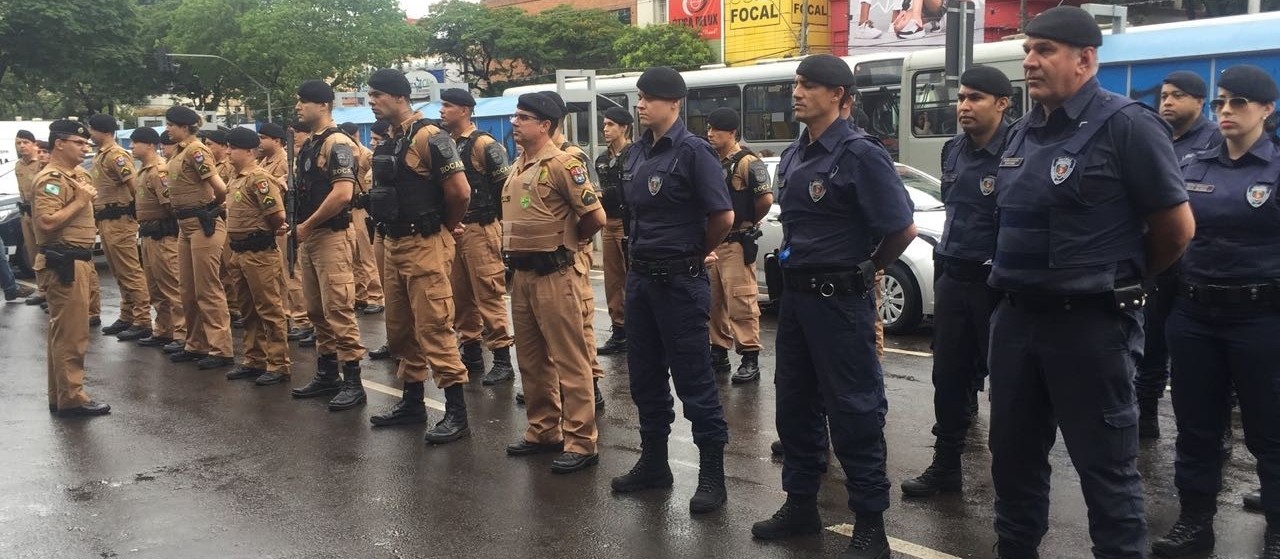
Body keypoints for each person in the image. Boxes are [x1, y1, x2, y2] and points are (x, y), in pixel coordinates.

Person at [986, 8, 1194, 557]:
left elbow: (1176, 231)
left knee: (1106, 475)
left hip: (1090, 328)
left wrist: (1118, 280)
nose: (1030, 61)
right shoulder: (1021, 132)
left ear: (1085, 59)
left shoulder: (1127, 124)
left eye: (1045, 50)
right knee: (1012, 465)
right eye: (1028, 50)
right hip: (1015, 322)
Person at [748, 55, 916, 559]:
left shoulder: (860, 153)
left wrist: (866, 269)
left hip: (840, 302)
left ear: (841, 96)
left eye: (811, 86)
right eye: (797, 83)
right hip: (797, 299)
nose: (798, 93)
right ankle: (801, 503)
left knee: (854, 409)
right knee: (794, 403)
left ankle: (870, 523)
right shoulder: (797, 151)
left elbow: (900, 228)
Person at [1151, 64, 1280, 559]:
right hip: (1196, 314)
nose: (1226, 111)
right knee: (1197, 426)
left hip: (1262, 318)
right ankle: (1195, 523)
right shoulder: (1194, 165)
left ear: (1266, 110)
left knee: (1269, 429)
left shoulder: (1274, 168)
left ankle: (1277, 532)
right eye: (1220, 102)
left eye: (1239, 103)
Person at [609, 66, 733, 515]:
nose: (640, 105)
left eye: (649, 98)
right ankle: (655, 464)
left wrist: (695, 254)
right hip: (641, 279)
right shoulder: (638, 153)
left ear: (674, 103)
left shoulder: (694, 152)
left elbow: (723, 216)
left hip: (680, 281)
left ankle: (712, 476)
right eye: (639, 97)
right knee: (644, 376)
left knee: (695, 379)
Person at [900, 66, 1010, 498]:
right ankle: (946, 466)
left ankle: (1011, 480)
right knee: (948, 376)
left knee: (1006, 385)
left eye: (975, 98)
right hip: (954, 274)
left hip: (997, 282)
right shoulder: (953, 150)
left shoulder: (1018, 149)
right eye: (961, 98)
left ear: (1002, 103)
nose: (964, 106)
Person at [360, 69, 472, 444]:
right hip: (392, 244)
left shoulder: (429, 136)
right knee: (400, 330)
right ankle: (411, 402)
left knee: (435, 327)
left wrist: (446, 226)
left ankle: (456, 412)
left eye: (377, 94)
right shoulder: (390, 140)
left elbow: (460, 192)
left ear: (398, 96)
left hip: (424, 243)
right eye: (370, 94)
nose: (372, 100)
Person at [500, 92, 606, 473]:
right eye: (516, 116)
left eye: (523, 117)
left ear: (545, 125)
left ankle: (580, 440)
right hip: (523, 275)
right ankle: (543, 429)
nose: (515, 122)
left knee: (570, 359)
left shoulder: (564, 163)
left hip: (556, 273)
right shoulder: (518, 165)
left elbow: (595, 215)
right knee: (530, 359)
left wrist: (572, 243)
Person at [1137, 71, 1224, 439]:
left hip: (1199, 265)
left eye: (1178, 96)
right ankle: (1146, 421)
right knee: (1151, 342)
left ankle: (1214, 435)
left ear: (1199, 102)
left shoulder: (1215, 140)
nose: (1168, 102)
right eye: (1165, 95)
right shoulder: (1158, 137)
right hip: (1161, 262)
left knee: (1201, 360)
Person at [286, 80, 368, 412]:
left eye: (303, 102)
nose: (298, 107)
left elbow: (343, 194)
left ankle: (352, 381)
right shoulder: (310, 144)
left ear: (323, 105)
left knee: (338, 309)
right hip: (311, 237)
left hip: (330, 236)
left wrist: (306, 224)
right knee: (317, 310)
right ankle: (327, 372)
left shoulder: (336, 143)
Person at [438, 87, 516, 386]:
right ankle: (471, 352)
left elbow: (505, 189)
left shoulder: (484, 144)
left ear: (465, 110)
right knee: (460, 297)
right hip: (455, 229)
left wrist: (499, 228)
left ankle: (501, 357)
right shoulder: (446, 144)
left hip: (481, 228)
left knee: (489, 293)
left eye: (448, 105)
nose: (442, 110)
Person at [32, 120, 111, 417]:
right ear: (59, 144)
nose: (84, 148)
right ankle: (73, 398)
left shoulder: (77, 175)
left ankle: (62, 395)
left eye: (86, 143)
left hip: (78, 259)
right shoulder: (51, 179)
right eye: (78, 143)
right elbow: (47, 222)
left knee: (64, 333)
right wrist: (80, 200)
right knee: (71, 335)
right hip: (64, 261)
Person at [535, 89, 606, 409]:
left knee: (579, 320)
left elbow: (593, 207)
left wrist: (576, 239)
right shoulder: (533, 156)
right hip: (542, 254)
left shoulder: (572, 156)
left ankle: (590, 385)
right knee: (550, 325)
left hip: (571, 250)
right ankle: (556, 387)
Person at [164, 106, 236, 370]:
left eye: (171, 124)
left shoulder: (196, 150)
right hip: (184, 226)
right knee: (188, 289)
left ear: (184, 127)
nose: (168, 129)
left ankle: (221, 348)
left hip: (202, 224)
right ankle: (196, 344)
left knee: (208, 289)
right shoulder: (180, 152)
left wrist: (211, 210)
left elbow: (220, 188)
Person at [704, 107, 771, 384]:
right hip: (715, 242)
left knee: (741, 301)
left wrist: (748, 224)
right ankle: (718, 351)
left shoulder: (747, 162)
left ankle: (749, 357)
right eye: (708, 128)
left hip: (736, 242)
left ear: (732, 133)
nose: (710, 134)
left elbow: (765, 200)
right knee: (713, 302)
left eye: (716, 130)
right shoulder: (711, 161)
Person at [220, 127, 291, 386]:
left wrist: (263, 235)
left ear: (248, 151)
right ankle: (254, 359)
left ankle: (278, 363)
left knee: (269, 309)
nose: (228, 152)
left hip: (259, 252)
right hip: (239, 253)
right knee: (247, 311)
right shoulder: (236, 178)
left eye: (232, 148)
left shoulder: (258, 178)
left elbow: (276, 215)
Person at [87, 114, 153, 341]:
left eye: (91, 130)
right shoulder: (101, 155)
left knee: (130, 270)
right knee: (118, 270)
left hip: (120, 219)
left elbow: (133, 185)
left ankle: (143, 319)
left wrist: (139, 213)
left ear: (102, 131)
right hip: (106, 220)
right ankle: (127, 315)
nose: (89, 134)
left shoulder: (116, 155)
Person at [257, 122, 315, 346]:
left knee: (292, 272)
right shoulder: (265, 161)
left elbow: (289, 187)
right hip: (272, 223)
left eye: (263, 138)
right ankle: (289, 315)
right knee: (280, 275)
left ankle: (302, 319)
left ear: (277, 140)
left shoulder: (285, 161)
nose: (260, 142)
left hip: (284, 222)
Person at [129, 127, 186, 350]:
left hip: (164, 236)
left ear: (150, 145)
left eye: (136, 143)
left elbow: (170, 206)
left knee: (173, 287)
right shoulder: (143, 171)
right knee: (155, 288)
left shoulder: (159, 171)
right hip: (149, 235)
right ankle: (164, 329)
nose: (132, 147)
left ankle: (182, 333)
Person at [595, 106, 633, 356]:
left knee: (635, 278)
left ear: (624, 128)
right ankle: (619, 330)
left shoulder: (636, 154)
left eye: (610, 125)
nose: (605, 129)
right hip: (608, 222)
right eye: (605, 124)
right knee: (613, 280)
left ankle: (639, 330)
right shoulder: (601, 159)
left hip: (631, 222)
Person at [339, 121, 385, 315]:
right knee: (355, 256)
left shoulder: (366, 155)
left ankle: (376, 296)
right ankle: (361, 294)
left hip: (362, 208)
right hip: (349, 209)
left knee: (367, 255)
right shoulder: (344, 155)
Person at [203, 129, 243, 328]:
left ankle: (235, 307)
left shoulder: (229, 167)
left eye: (210, 144)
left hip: (228, 219)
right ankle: (230, 304)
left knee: (230, 266)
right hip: (216, 219)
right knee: (220, 267)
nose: (207, 147)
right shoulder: (212, 166)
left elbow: (229, 193)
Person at [365, 119, 395, 362]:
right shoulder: (374, 165)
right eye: (372, 140)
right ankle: (394, 340)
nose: (373, 144)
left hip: (408, 232)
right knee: (390, 291)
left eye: (378, 139)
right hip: (381, 229)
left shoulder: (398, 159)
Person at [14, 130, 44, 303]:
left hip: (39, 212)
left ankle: (50, 291)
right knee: (32, 254)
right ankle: (42, 291)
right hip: (25, 213)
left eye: (25, 142)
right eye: (19, 143)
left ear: (34, 144)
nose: (22, 146)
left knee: (44, 253)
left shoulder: (41, 162)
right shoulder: (19, 165)